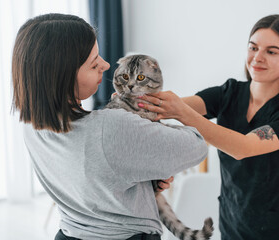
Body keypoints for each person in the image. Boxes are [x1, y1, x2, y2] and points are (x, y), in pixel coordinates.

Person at [11, 13, 208, 240]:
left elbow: (98, 179)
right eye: (94, 64)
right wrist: (178, 112)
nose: (105, 65)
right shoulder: (112, 127)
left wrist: (143, 176)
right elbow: (196, 146)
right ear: (63, 77)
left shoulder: (31, 125)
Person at [138, 14, 279, 240]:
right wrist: (135, 104)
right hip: (232, 224)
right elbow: (171, 105)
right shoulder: (229, 93)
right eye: (253, 48)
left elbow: (242, 147)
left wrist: (181, 112)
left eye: (271, 51)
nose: (257, 58)